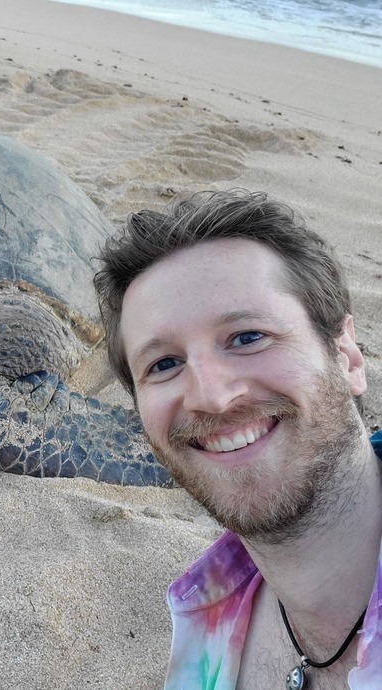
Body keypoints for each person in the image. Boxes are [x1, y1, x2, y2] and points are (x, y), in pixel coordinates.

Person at [94, 189, 382, 689]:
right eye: (164, 364)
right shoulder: (205, 622)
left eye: (248, 337)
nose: (212, 396)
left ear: (347, 357)